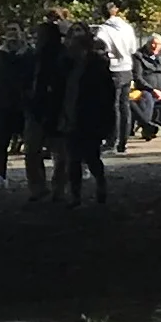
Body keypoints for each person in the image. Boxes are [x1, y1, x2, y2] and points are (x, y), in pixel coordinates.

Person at [58, 23, 115, 207]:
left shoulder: (96, 67)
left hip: (89, 118)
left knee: (90, 156)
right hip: (73, 116)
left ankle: (99, 184)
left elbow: (106, 95)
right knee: (73, 158)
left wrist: (105, 121)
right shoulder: (68, 66)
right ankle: (76, 194)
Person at [0, 24, 37, 203]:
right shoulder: (0, 56)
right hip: (4, 105)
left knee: (31, 144)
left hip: (24, 104)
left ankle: (35, 179)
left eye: (16, 33)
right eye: (10, 35)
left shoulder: (29, 55)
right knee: (1, 143)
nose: (13, 38)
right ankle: (0, 175)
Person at [25, 18, 75, 197]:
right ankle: (40, 187)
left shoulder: (61, 57)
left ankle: (56, 186)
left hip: (55, 107)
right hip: (37, 107)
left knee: (59, 152)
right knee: (33, 150)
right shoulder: (33, 56)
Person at [98, 7, 142, 149]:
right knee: (125, 105)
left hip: (113, 69)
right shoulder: (127, 27)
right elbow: (133, 49)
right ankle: (123, 140)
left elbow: (101, 48)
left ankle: (112, 139)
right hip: (127, 68)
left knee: (113, 106)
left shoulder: (103, 30)